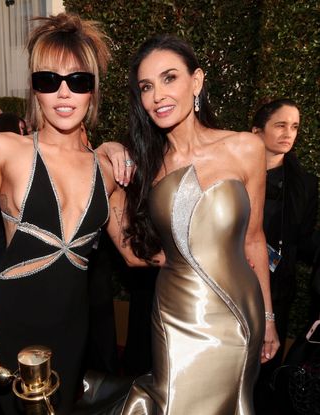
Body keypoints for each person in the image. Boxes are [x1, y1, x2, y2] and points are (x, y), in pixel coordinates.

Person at [0, 13, 152, 415]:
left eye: (78, 81)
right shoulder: (5, 149)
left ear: (93, 91)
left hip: (71, 328)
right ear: (35, 89)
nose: (64, 94)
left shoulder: (108, 169)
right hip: (7, 323)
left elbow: (134, 254)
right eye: (49, 80)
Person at [120, 35, 280, 415]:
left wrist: (269, 319)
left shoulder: (245, 148)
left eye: (169, 78)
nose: (157, 94)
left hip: (241, 315)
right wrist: (109, 150)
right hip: (177, 316)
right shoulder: (147, 166)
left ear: (197, 81)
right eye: (147, 86)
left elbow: (255, 241)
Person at [251, 98, 318, 414]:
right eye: (280, 124)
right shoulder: (232, 177)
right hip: (233, 285)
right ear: (256, 131)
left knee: (265, 372)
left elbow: (304, 240)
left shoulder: (305, 184)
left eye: (294, 126)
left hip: (278, 293)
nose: (288, 133)